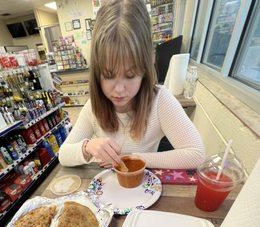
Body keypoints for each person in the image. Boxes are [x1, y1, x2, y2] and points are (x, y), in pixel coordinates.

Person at [58, 0, 205, 169]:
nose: (119, 90)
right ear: (96, 72)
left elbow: (196, 154)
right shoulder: (93, 107)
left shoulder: (160, 101)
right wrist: (87, 147)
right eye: (108, 75)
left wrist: (132, 158)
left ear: (145, 68)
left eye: (130, 75)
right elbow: (63, 154)